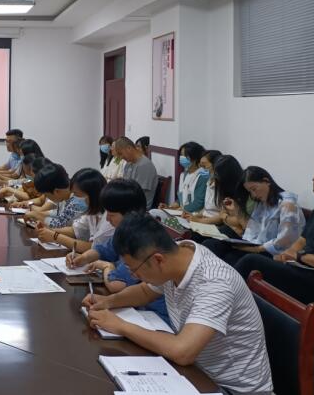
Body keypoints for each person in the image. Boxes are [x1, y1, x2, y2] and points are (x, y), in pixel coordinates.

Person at [85, 214, 273, 394]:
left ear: (158, 260)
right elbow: (144, 292)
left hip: (230, 388)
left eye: (135, 270)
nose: (135, 276)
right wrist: (107, 302)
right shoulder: (177, 256)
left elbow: (183, 352)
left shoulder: (215, 282)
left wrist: (121, 326)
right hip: (197, 374)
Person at [69, 179, 169, 324]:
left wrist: (107, 267)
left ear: (130, 214)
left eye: (111, 215)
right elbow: (104, 249)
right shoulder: (125, 230)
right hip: (140, 308)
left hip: (153, 317)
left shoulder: (139, 239)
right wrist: (83, 258)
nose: (107, 219)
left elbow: (116, 284)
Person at [234, 161, 314, 306]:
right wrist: (288, 254)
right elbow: (301, 240)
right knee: (230, 252)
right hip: (300, 267)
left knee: (252, 261)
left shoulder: (287, 203)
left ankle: (222, 302)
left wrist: (300, 256)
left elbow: (289, 243)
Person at [203, 165, 305, 266]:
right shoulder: (262, 202)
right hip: (257, 245)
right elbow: (252, 230)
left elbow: (285, 240)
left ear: (266, 181)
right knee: (213, 242)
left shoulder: (288, 204)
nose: (253, 195)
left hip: (273, 252)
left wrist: (256, 249)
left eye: (254, 189)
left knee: (230, 257)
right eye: (250, 191)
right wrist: (236, 212)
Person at [35, 168, 111, 252]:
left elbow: (94, 248)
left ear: (92, 194)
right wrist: (48, 230)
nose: (73, 197)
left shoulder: (109, 216)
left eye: (76, 193)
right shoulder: (92, 212)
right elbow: (75, 230)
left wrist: (55, 236)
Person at [185, 155, 249, 238]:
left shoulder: (242, 191)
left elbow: (238, 221)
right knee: (190, 234)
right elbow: (223, 214)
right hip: (226, 227)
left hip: (230, 229)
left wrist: (200, 220)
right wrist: (195, 216)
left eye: (205, 166)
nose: (216, 177)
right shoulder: (222, 187)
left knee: (206, 241)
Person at [160, 141, 208, 213]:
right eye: (181, 155)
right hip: (182, 212)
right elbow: (180, 200)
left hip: (195, 215)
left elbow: (198, 204)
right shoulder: (183, 175)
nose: (182, 158)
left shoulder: (203, 176)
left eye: (185, 156)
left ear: (194, 158)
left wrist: (179, 210)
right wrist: (169, 207)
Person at [116, 136, 158, 209]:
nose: (121, 157)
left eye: (121, 154)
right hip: (128, 202)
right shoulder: (128, 164)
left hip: (138, 207)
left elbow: (138, 193)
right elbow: (124, 186)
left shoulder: (144, 165)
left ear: (129, 148)